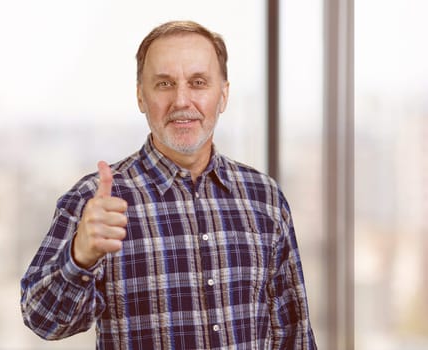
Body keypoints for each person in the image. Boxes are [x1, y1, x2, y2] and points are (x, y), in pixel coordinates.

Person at [21, 20, 317, 349]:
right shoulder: (97, 202)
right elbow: (42, 319)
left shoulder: (264, 199)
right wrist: (80, 256)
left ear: (223, 95)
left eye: (198, 82)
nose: (181, 100)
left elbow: (295, 334)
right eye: (164, 84)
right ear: (140, 96)